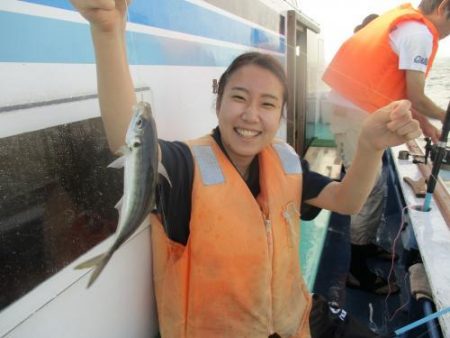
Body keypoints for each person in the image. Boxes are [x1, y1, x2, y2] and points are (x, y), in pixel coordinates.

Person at [70, 0, 421, 336]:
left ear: (280, 115)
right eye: (238, 97)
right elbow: (129, 139)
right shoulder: (184, 166)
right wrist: (107, 33)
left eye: (267, 104)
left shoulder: (285, 161)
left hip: (294, 320)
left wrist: (370, 146)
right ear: (218, 102)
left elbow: (347, 201)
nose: (251, 115)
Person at [322, 0, 450, 295]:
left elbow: (402, 94)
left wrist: (427, 125)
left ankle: (363, 246)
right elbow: (417, 97)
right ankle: (354, 270)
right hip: (354, 116)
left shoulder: (407, 26)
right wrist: (445, 118)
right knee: (368, 191)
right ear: (443, 8)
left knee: (373, 187)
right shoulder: (419, 32)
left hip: (356, 112)